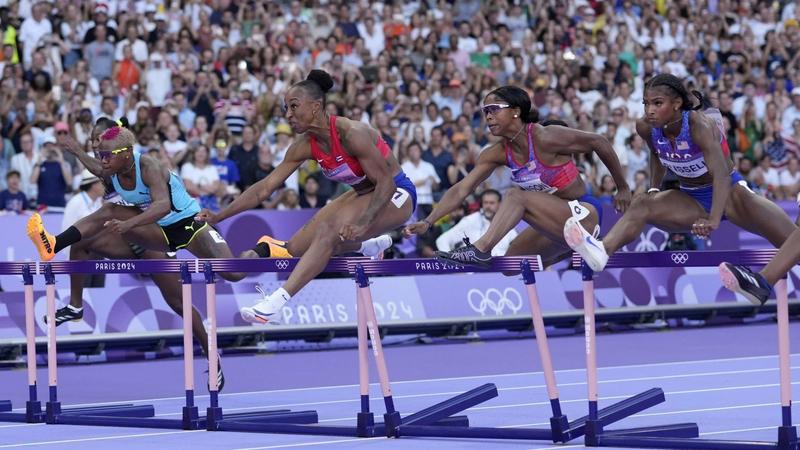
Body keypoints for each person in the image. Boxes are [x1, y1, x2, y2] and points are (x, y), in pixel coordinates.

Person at [196, 70, 416, 325]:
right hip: (362, 193)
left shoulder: (352, 133)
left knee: (328, 232)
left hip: (397, 193)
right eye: (285, 108)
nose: (287, 114)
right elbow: (265, 188)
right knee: (295, 249)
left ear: (316, 106)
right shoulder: (303, 146)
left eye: (293, 106)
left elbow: (386, 184)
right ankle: (368, 246)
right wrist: (219, 216)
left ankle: (277, 302)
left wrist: (363, 224)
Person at [41, 117, 226, 390]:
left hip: (155, 238)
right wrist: (76, 150)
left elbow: (159, 204)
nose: (97, 148)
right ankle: (75, 305)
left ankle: (212, 357)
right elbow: (96, 168)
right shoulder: (106, 165)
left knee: (179, 304)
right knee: (81, 243)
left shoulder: (138, 164)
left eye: (101, 143)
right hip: (128, 235)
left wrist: (129, 224)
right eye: (94, 142)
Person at [564, 74, 796, 272]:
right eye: (646, 104)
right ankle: (601, 251)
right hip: (690, 197)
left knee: (791, 241)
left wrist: (713, 219)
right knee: (642, 202)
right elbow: (657, 154)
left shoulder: (699, 126)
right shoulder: (645, 126)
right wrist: (655, 188)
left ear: (676, 104)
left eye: (657, 103)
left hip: (731, 193)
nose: (650, 111)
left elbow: (722, 175)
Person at [405, 85, 630, 269]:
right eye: (485, 111)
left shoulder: (545, 137)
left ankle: (481, 249)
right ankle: (580, 251)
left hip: (583, 213)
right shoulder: (497, 152)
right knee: (512, 266)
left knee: (516, 196)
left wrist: (622, 187)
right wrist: (428, 221)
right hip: (553, 222)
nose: (488, 116)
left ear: (515, 111)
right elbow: (462, 189)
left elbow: (599, 141)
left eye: (493, 109)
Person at [435, 189, 517, 256]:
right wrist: (451, 262)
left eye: (492, 203)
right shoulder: (470, 221)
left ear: (500, 204)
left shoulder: (507, 222)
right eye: (485, 203)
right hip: (473, 272)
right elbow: (442, 240)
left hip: (499, 270)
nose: (488, 206)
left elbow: (516, 246)